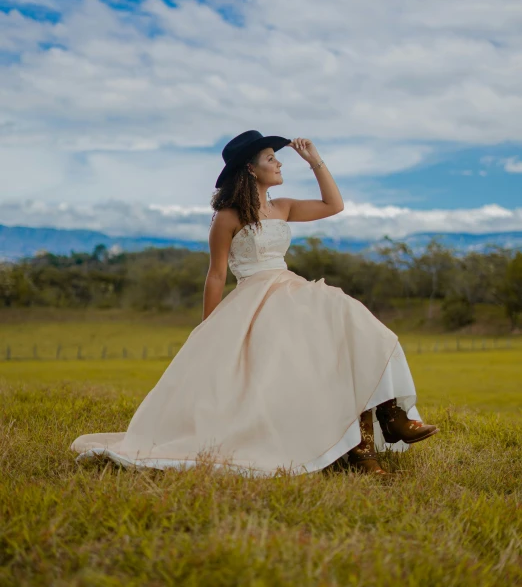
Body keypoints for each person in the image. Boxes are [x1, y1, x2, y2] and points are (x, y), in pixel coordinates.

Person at [71, 130, 438, 477]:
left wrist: (315, 161)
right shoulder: (227, 218)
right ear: (251, 167)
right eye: (270, 158)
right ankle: (359, 451)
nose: (279, 164)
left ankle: (388, 420)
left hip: (292, 290)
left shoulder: (284, 207)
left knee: (355, 327)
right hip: (254, 297)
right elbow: (215, 275)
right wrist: (208, 328)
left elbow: (334, 205)